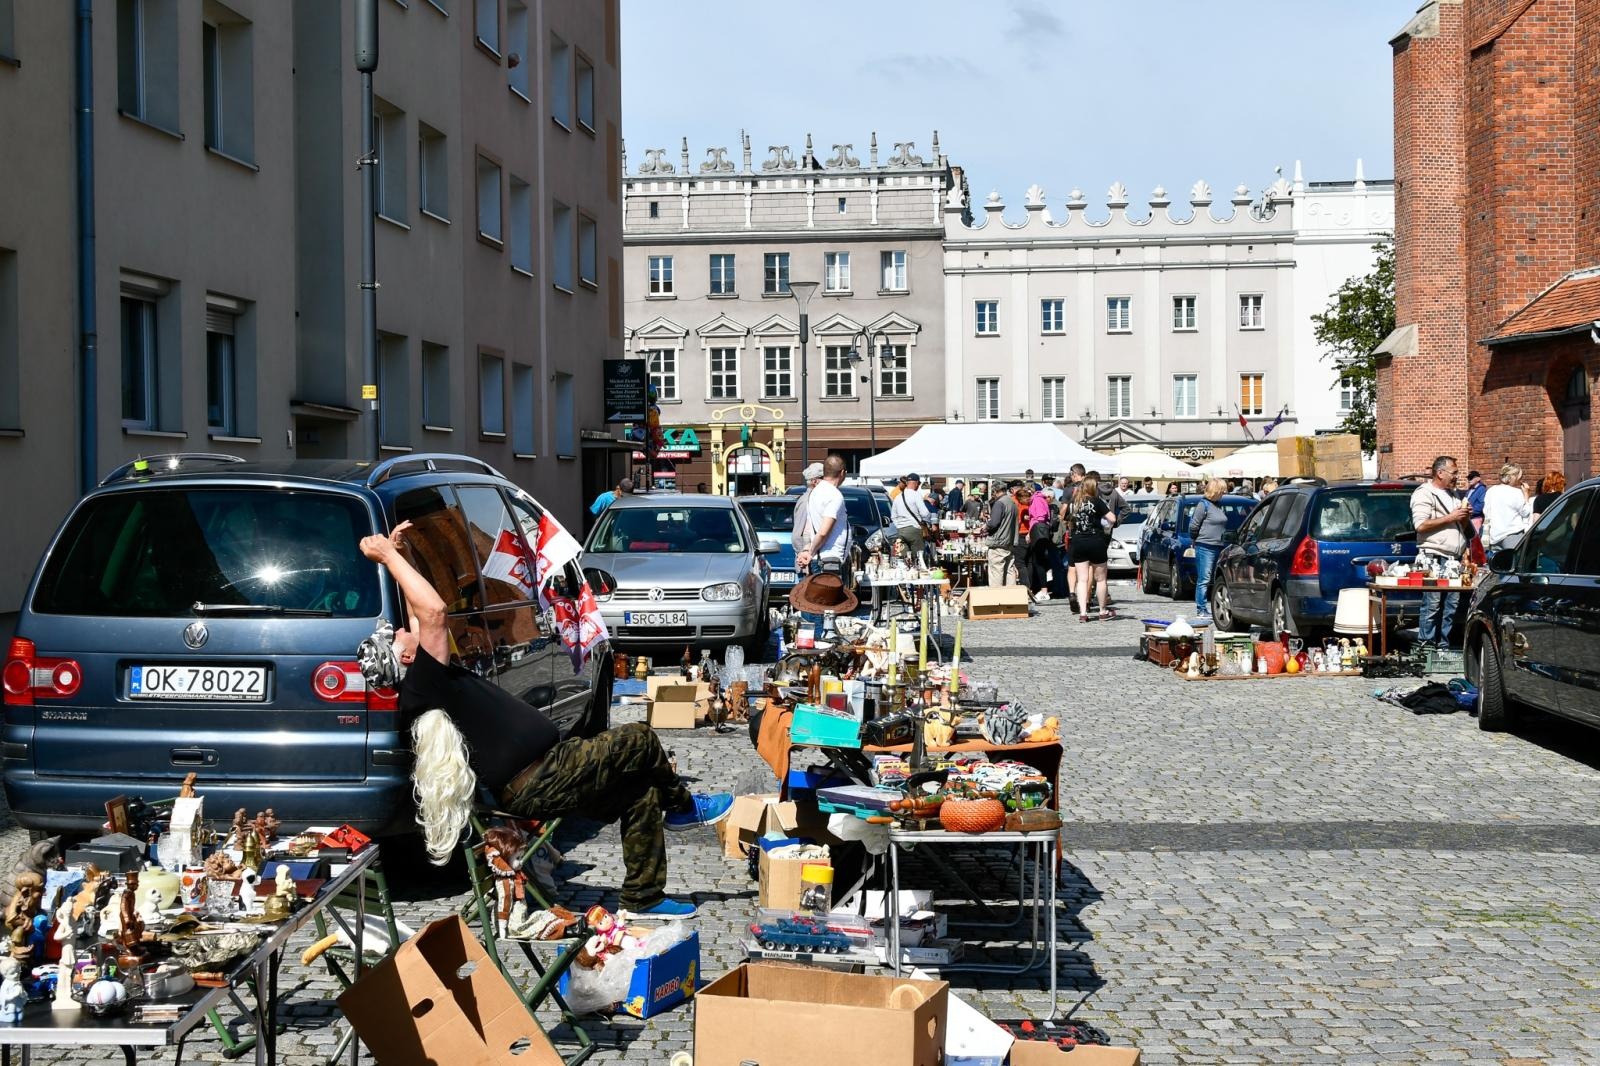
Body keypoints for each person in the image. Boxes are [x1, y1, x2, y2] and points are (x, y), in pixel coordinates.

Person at [358, 526, 731, 919]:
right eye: (396, 637)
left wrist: (405, 555)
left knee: (640, 790)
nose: (402, 628)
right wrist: (387, 557)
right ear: (404, 660)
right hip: (539, 781)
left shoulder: (426, 678)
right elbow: (432, 614)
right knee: (637, 738)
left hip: (552, 767)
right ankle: (685, 807)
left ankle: (645, 897)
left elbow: (421, 618)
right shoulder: (424, 683)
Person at [1410, 455, 1473, 648]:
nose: (1457, 477)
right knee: (1433, 604)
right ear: (1440, 473)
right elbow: (1420, 525)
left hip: (1453, 558)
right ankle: (1427, 646)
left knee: (1452, 605)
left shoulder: (1453, 494)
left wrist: (1463, 517)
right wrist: (1451, 516)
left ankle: (1444, 646)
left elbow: (1463, 528)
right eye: (1453, 473)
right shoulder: (1424, 493)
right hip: (1434, 556)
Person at [795, 455, 851, 577]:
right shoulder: (834, 495)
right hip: (830, 559)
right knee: (831, 596)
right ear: (842, 473)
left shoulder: (814, 493)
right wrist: (810, 552)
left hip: (820, 559)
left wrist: (807, 550)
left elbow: (810, 529)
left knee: (820, 596)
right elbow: (823, 532)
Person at [1067, 475, 1114, 622]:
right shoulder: (1097, 501)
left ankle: (1083, 613)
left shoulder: (1074, 502)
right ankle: (1102, 611)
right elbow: (1112, 519)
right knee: (1100, 579)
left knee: (1081, 580)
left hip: (1078, 541)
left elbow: (1069, 521)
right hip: (1096, 541)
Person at [1190, 478, 1229, 620]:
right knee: (1204, 579)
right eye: (1222, 490)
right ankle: (1201, 609)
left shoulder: (1218, 505)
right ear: (1216, 490)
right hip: (1205, 546)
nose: (1224, 492)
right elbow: (1194, 526)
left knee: (1214, 579)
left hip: (1219, 546)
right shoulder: (1203, 505)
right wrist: (1195, 539)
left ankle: (1213, 607)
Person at [1481, 463, 1533, 553]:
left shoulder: (1491, 491)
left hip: (1495, 535)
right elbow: (1525, 512)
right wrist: (1526, 496)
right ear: (1514, 477)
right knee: (1514, 564)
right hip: (1512, 534)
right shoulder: (1516, 493)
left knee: (1499, 565)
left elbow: (1486, 511)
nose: (1520, 480)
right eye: (1520, 477)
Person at [890, 472, 936, 558]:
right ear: (915, 483)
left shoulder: (898, 496)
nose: (918, 486)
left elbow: (893, 516)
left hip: (900, 530)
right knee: (918, 557)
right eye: (918, 484)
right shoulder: (916, 495)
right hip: (914, 530)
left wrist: (899, 525)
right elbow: (925, 513)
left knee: (903, 557)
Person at [983, 481, 1020, 586]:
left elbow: (994, 523)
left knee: (996, 571)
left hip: (998, 543)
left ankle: (997, 598)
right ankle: (1010, 598)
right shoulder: (1012, 502)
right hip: (1010, 541)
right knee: (1009, 570)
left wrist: (985, 526)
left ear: (995, 491)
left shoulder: (1000, 503)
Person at [1024, 483, 1056, 602]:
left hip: (1039, 530)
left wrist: (1034, 522)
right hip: (1038, 529)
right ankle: (1042, 589)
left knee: (1039, 560)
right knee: (1038, 560)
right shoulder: (1038, 498)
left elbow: (1041, 515)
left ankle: (1044, 591)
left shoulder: (1037, 499)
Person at [791, 461, 825, 562]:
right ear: (815, 481)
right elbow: (797, 535)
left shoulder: (815, 498)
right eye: (823, 478)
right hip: (808, 561)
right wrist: (803, 554)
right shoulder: (807, 500)